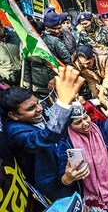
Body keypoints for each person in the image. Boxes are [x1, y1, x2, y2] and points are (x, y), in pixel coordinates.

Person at [0, 66, 85, 202]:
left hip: (65, 171)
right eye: (31, 108)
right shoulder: (15, 132)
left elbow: (59, 136)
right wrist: (63, 103)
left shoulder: (34, 116)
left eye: (37, 103)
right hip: (53, 190)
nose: (39, 109)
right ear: (14, 115)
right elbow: (46, 136)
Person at [57, 101, 108, 212]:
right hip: (89, 198)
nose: (85, 123)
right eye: (78, 122)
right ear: (69, 126)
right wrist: (67, 178)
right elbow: (63, 173)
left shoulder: (100, 127)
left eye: (86, 118)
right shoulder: (66, 142)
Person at [0, 21, 21, 86]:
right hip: (8, 83)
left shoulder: (17, 36)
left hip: (26, 78)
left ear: (2, 27)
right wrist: (2, 82)